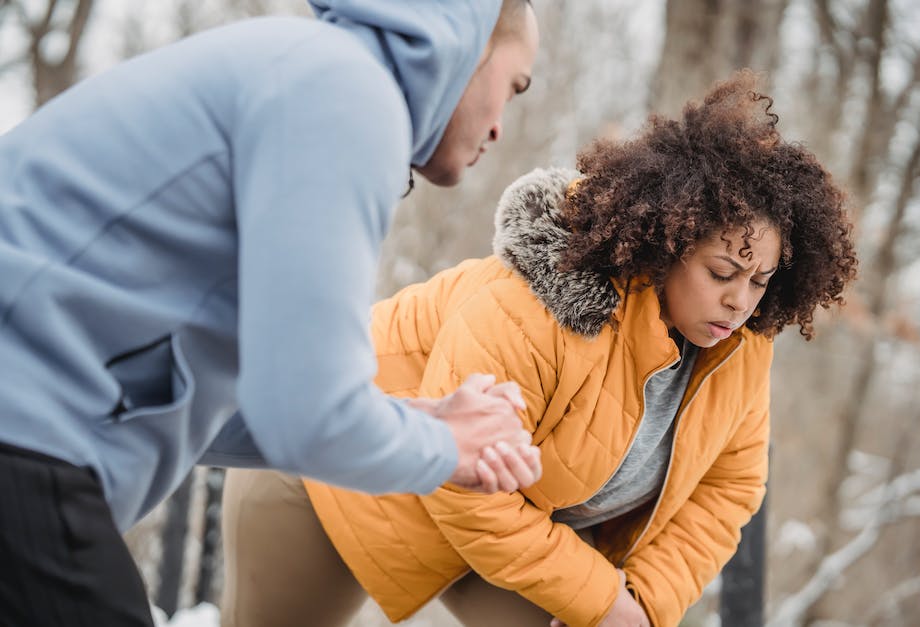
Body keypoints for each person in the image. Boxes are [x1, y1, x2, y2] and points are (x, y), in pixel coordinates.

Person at [220, 71, 859, 627]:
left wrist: (641, 603)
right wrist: (599, 601)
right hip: (329, 480)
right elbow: (465, 482)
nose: (741, 301)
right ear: (666, 245)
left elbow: (728, 490)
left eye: (761, 280)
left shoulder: (739, 346)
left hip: (506, 536)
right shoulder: (538, 304)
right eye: (723, 272)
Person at [0, 1, 542, 625]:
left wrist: (406, 418)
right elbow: (307, 418)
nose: (501, 126)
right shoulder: (343, 90)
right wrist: (449, 444)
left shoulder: (306, 76)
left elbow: (252, 411)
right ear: (466, 46)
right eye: (514, 85)